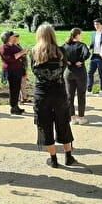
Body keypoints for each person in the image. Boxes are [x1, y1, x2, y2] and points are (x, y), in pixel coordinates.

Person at [31, 24, 76, 168]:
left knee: (45, 125)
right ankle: (68, 156)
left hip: (42, 93)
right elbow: (63, 69)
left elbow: (34, 71)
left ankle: (53, 158)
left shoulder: (33, 52)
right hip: (59, 93)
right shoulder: (61, 51)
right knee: (63, 123)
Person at [63, 28, 90, 125]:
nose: (81, 36)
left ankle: (73, 118)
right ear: (77, 35)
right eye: (81, 34)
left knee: (69, 96)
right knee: (81, 95)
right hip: (80, 72)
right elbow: (87, 54)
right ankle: (81, 118)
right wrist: (81, 60)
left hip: (69, 72)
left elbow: (59, 54)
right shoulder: (82, 45)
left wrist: (66, 61)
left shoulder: (65, 45)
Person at [0, 31, 28, 115]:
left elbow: (18, 55)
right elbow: (10, 59)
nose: (14, 37)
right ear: (8, 38)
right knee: (14, 89)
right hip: (12, 71)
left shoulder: (12, 45)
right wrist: (22, 53)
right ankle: (13, 107)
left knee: (17, 88)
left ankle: (16, 106)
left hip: (18, 70)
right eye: (12, 36)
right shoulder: (4, 47)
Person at [87, 18, 102, 96]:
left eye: (97, 24)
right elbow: (93, 44)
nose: (96, 26)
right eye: (95, 24)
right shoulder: (94, 34)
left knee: (101, 74)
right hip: (94, 56)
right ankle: (89, 90)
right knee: (90, 73)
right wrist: (89, 47)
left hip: (101, 57)